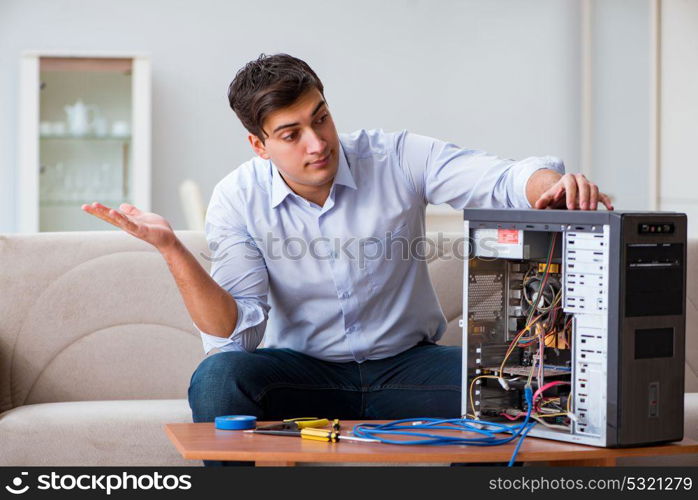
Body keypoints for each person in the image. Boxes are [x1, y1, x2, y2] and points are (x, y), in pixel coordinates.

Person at [83, 53, 613, 466]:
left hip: (407, 367)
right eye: (291, 135)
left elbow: (498, 179)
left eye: (322, 118)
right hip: (303, 374)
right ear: (259, 145)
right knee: (219, 378)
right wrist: (173, 248)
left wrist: (553, 185)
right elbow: (235, 335)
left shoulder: (397, 155)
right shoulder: (236, 197)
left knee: (529, 385)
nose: (317, 144)